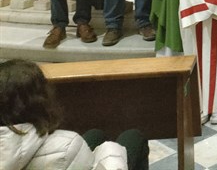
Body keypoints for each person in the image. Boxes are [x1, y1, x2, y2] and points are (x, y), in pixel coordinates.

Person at [0, 58, 147, 170]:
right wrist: (112, 152)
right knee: (133, 137)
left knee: (95, 134)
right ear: (40, 100)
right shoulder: (67, 144)